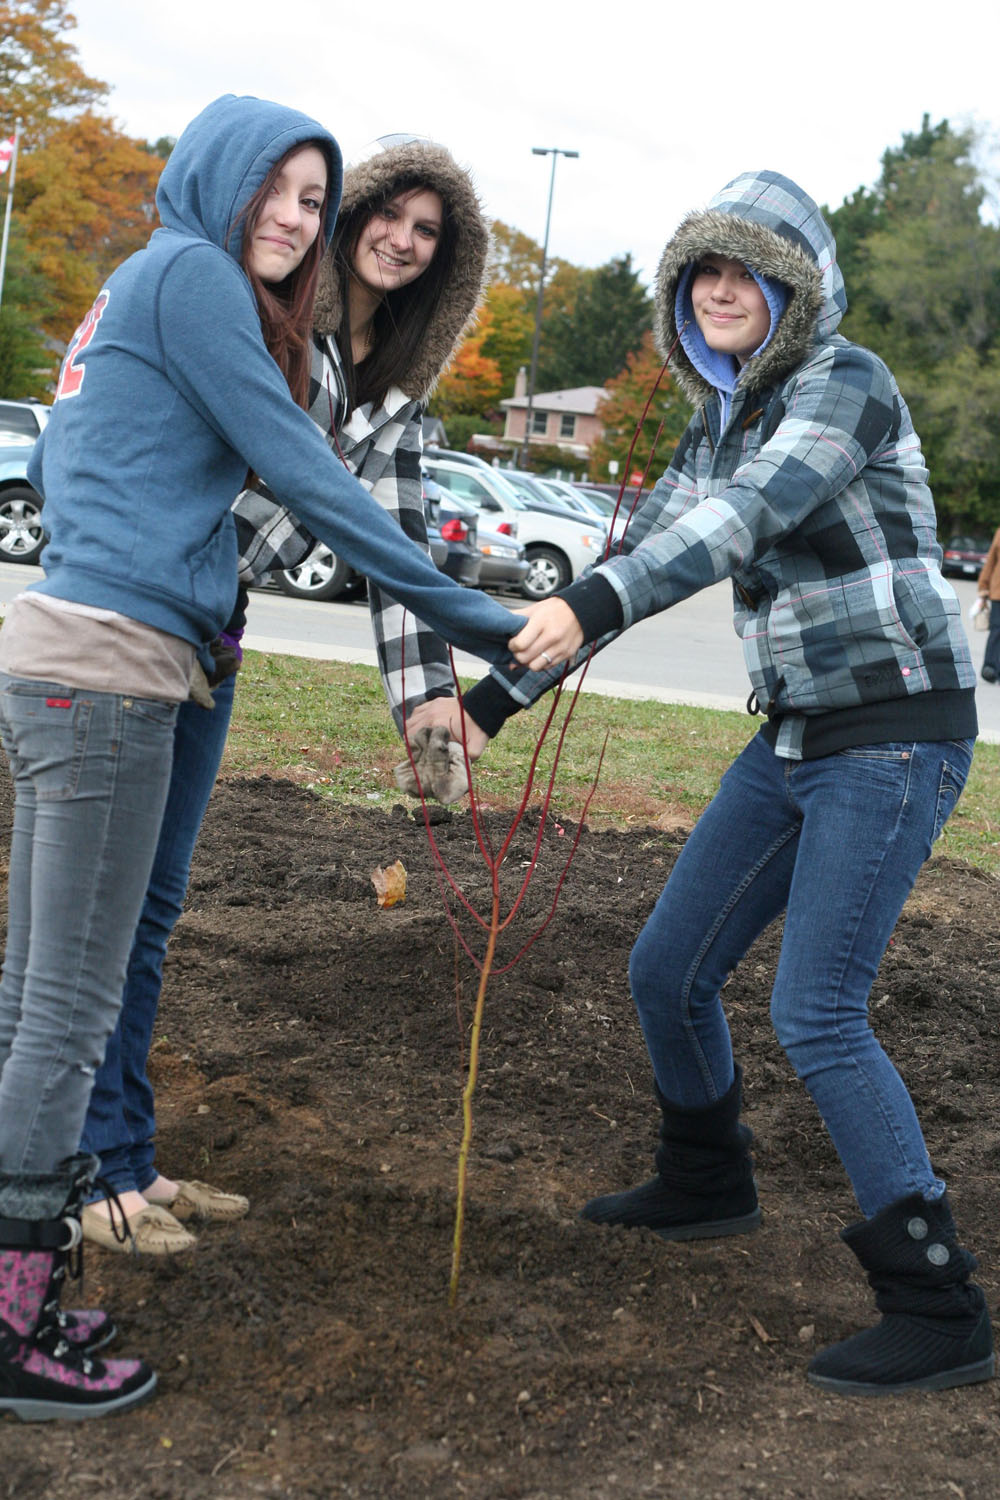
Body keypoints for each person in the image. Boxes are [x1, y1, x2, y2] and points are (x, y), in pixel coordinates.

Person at [413, 170, 995, 1396]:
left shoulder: (846, 384)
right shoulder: (722, 417)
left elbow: (739, 521)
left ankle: (938, 1304)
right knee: (666, 970)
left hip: (892, 738)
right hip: (793, 736)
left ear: (797, 293)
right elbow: (648, 549)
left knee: (817, 1012)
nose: (719, 291)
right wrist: (485, 707)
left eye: (747, 273)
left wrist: (587, 600)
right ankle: (705, 1181)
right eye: (701, 274)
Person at [0, 95, 522, 1421]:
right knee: (63, 1010)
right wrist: (495, 627)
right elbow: (305, 475)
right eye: (287, 193)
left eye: (312, 198)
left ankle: (60, 1232)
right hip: (115, 659)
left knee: (53, 990)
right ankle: (17, 1311)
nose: (302, 219)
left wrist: (430, 692)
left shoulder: (168, 285)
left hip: (120, 646)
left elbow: (79, 456)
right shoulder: (199, 282)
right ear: (226, 182)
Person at [77, 133, 495, 1256]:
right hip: (142, 617)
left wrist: (429, 704)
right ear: (346, 214)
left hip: (215, 635)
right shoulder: (258, 317)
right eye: (386, 214)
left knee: (152, 915)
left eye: (428, 233)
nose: (401, 241)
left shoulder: (391, 394)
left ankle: (129, 1158)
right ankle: (89, 1171)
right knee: (102, 922)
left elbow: (396, 552)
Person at [975, 527, 1000, 682]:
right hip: (998, 592)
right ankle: (990, 667)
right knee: (996, 630)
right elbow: (991, 561)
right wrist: (983, 586)